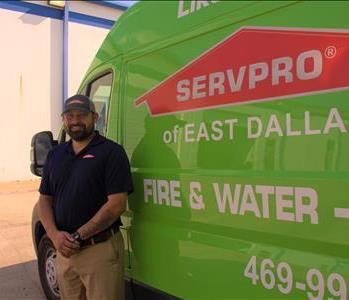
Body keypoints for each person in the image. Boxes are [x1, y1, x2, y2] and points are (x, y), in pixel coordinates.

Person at [38, 94, 133, 300]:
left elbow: (117, 204)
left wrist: (78, 236)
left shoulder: (111, 152)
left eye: (81, 115)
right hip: (64, 252)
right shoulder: (56, 155)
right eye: (69, 116)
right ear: (63, 119)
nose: (74, 121)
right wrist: (55, 236)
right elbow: (44, 199)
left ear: (95, 117)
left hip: (98, 251)